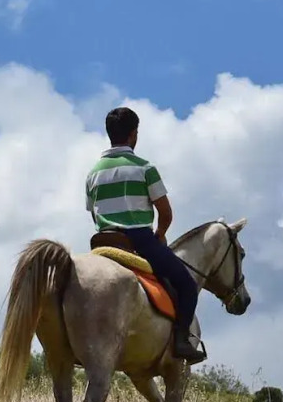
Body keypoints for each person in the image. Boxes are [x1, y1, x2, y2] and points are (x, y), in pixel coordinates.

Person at [86, 106, 207, 363]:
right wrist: (160, 235)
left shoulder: (93, 173)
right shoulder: (144, 168)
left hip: (102, 241)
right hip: (138, 240)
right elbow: (166, 212)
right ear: (133, 135)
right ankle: (181, 341)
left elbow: (94, 214)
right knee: (186, 284)